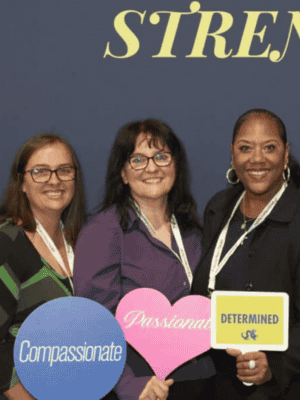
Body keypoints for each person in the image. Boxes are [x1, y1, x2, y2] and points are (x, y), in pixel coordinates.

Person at [190, 109, 300, 400]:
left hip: (285, 384)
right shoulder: (218, 209)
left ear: (286, 155)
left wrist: (274, 366)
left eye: (269, 147)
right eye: (245, 148)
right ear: (232, 155)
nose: (257, 159)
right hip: (223, 381)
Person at [74, 119, 215, 400]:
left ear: (176, 165)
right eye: (138, 159)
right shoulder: (103, 231)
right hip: (142, 388)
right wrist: (128, 384)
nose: (152, 168)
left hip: (202, 380)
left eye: (161, 156)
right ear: (123, 174)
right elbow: (93, 323)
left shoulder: (194, 231)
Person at [0, 133, 87, 400]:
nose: (54, 180)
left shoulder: (82, 241)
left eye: (64, 170)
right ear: (21, 182)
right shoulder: (4, 244)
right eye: (40, 172)